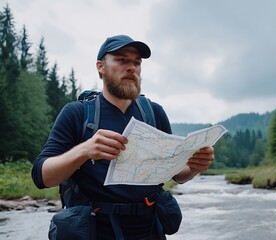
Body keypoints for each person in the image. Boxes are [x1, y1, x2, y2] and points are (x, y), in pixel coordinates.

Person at [31, 34, 215, 240]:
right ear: (101, 66)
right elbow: (42, 177)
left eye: (137, 63)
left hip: (150, 230)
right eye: (121, 60)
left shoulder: (154, 113)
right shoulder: (77, 113)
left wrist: (193, 168)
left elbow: (175, 173)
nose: (131, 67)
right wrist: (84, 150)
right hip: (94, 231)